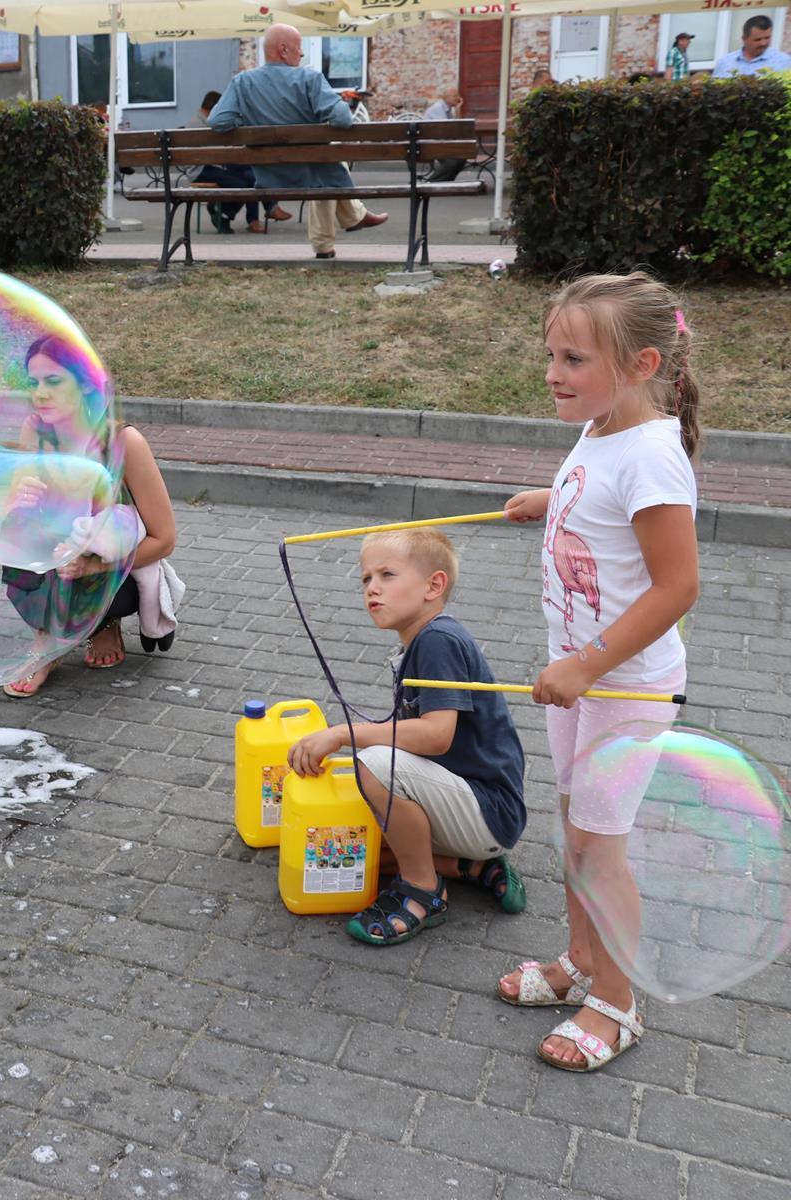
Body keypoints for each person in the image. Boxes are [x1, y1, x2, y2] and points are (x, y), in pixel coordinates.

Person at [497, 272, 702, 1072]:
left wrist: (585, 664)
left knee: (597, 850)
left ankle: (617, 1003)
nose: (553, 372)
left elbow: (677, 587)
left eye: (573, 359)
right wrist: (550, 499)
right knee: (575, 828)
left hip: (624, 684)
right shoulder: (603, 424)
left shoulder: (653, 455)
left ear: (642, 364)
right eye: (551, 354)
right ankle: (581, 960)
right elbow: (601, 498)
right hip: (582, 675)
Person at [287, 530, 528, 947]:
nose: (372, 588)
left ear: (434, 586)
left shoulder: (438, 641)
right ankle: (469, 867)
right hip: (468, 805)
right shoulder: (423, 639)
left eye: (387, 574)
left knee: (376, 765)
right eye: (366, 578)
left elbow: (435, 735)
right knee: (352, 844)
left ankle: (423, 890)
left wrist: (342, 734)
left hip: (488, 810)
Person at [2, 335, 177, 698]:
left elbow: (164, 540)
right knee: (17, 529)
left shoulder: (123, 442)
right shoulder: (36, 431)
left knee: (90, 545)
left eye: (53, 381)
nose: (40, 393)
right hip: (59, 560)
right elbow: (18, 517)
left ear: (85, 384)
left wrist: (94, 566)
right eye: (34, 382)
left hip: (112, 573)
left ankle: (104, 623)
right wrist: (19, 500)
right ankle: (46, 641)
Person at [206, 24, 388, 260]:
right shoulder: (309, 78)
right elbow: (343, 119)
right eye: (299, 47)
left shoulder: (242, 82)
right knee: (328, 164)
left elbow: (218, 121)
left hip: (269, 177)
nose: (302, 53)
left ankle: (346, 225)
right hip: (313, 174)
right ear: (283, 50)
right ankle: (348, 222)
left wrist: (246, 119)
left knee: (327, 163)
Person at [195, 89, 293, 235]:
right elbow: (216, 153)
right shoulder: (202, 124)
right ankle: (226, 213)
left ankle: (256, 216)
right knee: (247, 181)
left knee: (253, 175)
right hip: (205, 168)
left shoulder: (204, 121)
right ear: (213, 109)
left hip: (217, 163)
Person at [714, 15, 791, 77]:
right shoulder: (725, 62)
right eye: (757, 39)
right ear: (744, 39)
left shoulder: (783, 61)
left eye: (767, 38)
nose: (763, 43)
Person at [421, 88, 469, 182]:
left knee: (461, 158)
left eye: (458, 95)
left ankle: (446, 182)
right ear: (445, 98)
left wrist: (458, 109)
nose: (458, 98)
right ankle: (432, 182)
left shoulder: (447, 109)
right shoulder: (438, 108)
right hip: (430, 145)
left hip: (439, 143)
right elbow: (446, 131)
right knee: (451, 161)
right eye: (454, 96)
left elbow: (457, 127)